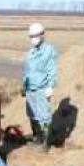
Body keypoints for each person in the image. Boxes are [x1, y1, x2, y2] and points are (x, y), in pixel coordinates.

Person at [22, 22, 58, 150]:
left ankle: (45, 143)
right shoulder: (31, 53)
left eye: (35, 36)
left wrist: (50, 86)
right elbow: (27, 71)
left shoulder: (49, 51)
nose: (33, 39)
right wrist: (24, 85)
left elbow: (51, 70)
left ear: (42, 35)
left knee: (44, 116)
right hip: (30, 88)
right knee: (32, 114)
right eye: (31, 36)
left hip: (41, 88)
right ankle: (37, 137)